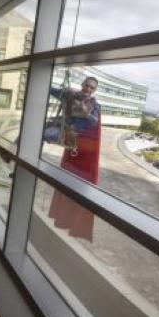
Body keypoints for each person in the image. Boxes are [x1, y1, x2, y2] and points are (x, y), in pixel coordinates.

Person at [47, 77, 101, 241]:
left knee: (42, 133)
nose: (88, 89)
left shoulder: (95, 105)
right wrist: (64, 89)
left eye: (92, 88)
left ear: (94, 90)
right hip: (61, 130)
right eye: (87, 85)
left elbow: (94, 121)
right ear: (82, 85)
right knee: (33, 131)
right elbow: (50, 89)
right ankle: (9, 155)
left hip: (71, 138)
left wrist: (86, 112)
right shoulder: (70, 95)